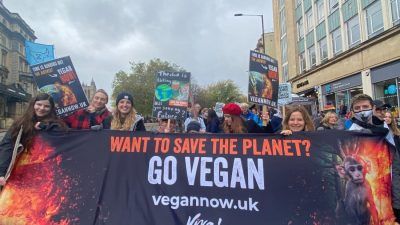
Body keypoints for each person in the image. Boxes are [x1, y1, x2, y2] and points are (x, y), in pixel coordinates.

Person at [0, 93, 67, 186]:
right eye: (39, 104)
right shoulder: (20, 123)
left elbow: (64, 136)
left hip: (45, 172)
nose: (42, 108)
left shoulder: (57, 124)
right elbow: (7, 145)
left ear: (51, 109)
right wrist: (1, 172)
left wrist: (48, 125)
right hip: (20, 169)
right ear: (33, 105)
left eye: (46, 106)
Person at [384, 111, 400, 222]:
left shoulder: (396, 132)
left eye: (390, 117)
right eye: (385, 116)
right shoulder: (382, 132)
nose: (388, 118)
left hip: (396, 163)